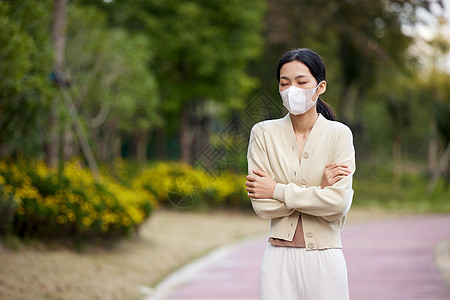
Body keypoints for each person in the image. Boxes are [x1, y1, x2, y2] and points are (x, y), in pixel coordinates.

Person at [245, 48, 355, 300]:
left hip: (326, 260)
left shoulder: (339, 135)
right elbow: (262, 206)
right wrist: (320, 191)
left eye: (301, 81)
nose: (291, 89)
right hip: (277, 261)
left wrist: (276, 190)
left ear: (321, 86)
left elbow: (338, 205)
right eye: (284, 83)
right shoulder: (263, 133)